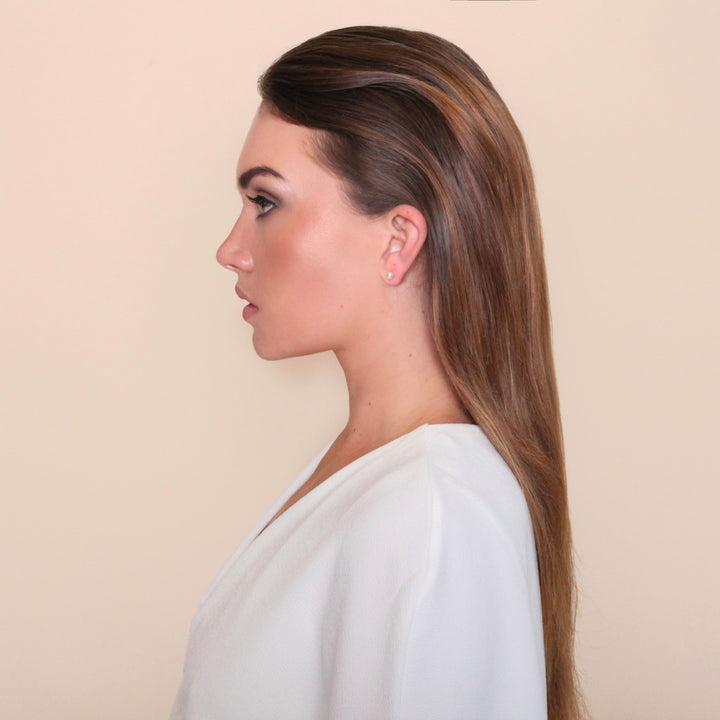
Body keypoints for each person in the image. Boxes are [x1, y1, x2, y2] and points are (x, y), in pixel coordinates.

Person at [171, 26, 581, 720]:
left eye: (265, 202)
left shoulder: (433, 513)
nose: (230, 249)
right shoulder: (376, 472)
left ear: (397, 241)